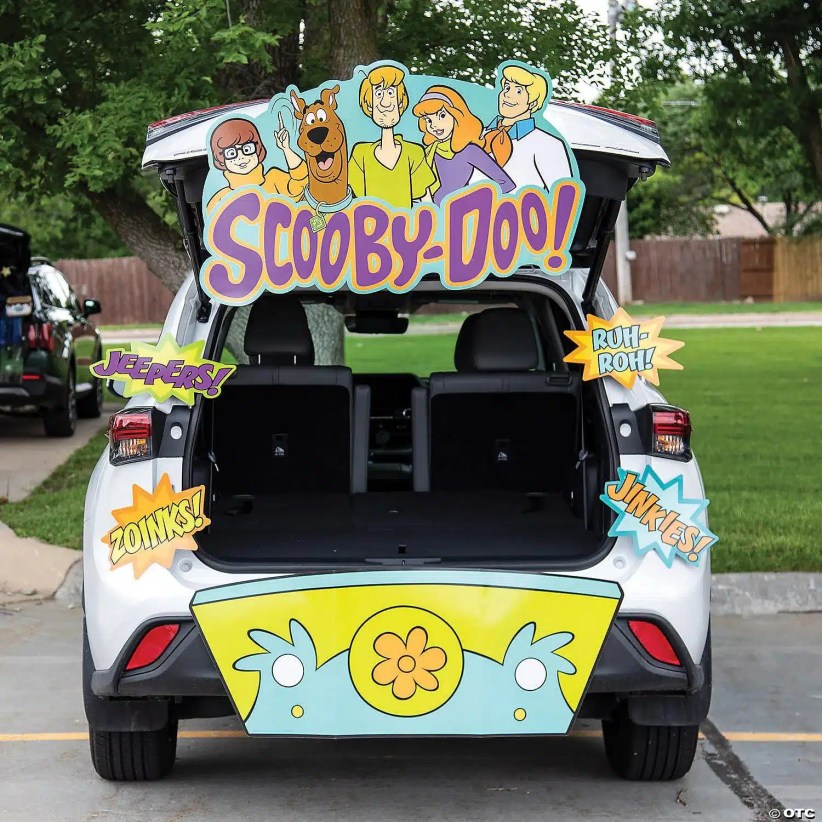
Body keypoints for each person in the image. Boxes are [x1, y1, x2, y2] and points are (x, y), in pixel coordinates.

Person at [349, 65, 435, 208]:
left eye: (390, 92)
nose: (385, 102)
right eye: (378, 94)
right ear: (369, 106)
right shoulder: (360, 154)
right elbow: (352, 198)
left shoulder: (414, 153)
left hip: (406, 228)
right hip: (367, 228)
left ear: (400, 102)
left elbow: (426, 200)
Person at [412, 86, 514, 206]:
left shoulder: (469, 150)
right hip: (430, 214)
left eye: (442, 116)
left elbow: (505, 183)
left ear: (456, 115)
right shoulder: (428, 152)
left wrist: (475, 203)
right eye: (429, 120)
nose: (434, 125)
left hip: (461, 216)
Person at [480, 64, 572, 191]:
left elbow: (562, 198)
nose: (507, 94)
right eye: (506, 87)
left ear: (533, 102)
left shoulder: (548, 143)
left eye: (518, 91)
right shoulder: (479, 134)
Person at [207, 115, 307, 211]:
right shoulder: (220, 199)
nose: (241, 157)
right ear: (220, 158)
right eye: (231, 153)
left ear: (258, 149)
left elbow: (302, 182)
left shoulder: (274, 179)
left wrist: (286, 149)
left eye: (247, 149)